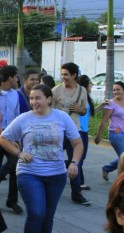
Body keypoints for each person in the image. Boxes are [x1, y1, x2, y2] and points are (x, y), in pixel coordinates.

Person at [0, 84, 83, 233]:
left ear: (49, 99)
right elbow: (3, 139)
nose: (34, 102)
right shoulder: (24, 119)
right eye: (31, 98)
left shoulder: (61, 117)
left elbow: (77, 144)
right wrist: (19, 153)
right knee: (36, 213)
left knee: (48, 215)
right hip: (30, 173)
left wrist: (74, 163)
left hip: (56, 175)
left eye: (38, 98)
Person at [52, 62, 89, 205]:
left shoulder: (82, 91)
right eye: (62, 74)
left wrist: (80, 109)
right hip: (58, 131)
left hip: (75, 130)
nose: (63, 77)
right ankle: (50, 187)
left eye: (66, 74)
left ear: (74, 75)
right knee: (53, 159)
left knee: (76, 163)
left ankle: (77, 193)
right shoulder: (55, 91)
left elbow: (85, 110)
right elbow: (51, 112)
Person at [0, 65, 23, 213]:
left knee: (15, 164)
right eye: (15, 76)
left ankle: (12, 201)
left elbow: (17, 115)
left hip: (10, 135)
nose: (17, 79)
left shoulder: (15, 94)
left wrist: (17, 137)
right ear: (10, 78)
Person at [95, 81, 124, 181]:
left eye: (118, 89)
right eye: (114, 90)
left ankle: (107, 168)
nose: (116, 92)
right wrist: (98, 135)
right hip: (117, 134)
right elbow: (104, 120)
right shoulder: (111, 103)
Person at [77, 75, 96, 191]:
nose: (91, 86)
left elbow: (88, 113)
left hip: (85, 130)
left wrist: (102, 106)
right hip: (78, 130)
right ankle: (80, 182)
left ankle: (67, 164)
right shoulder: (80, 97)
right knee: (79, 156)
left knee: (81, 157)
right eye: (90, 84)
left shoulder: (87, 98)